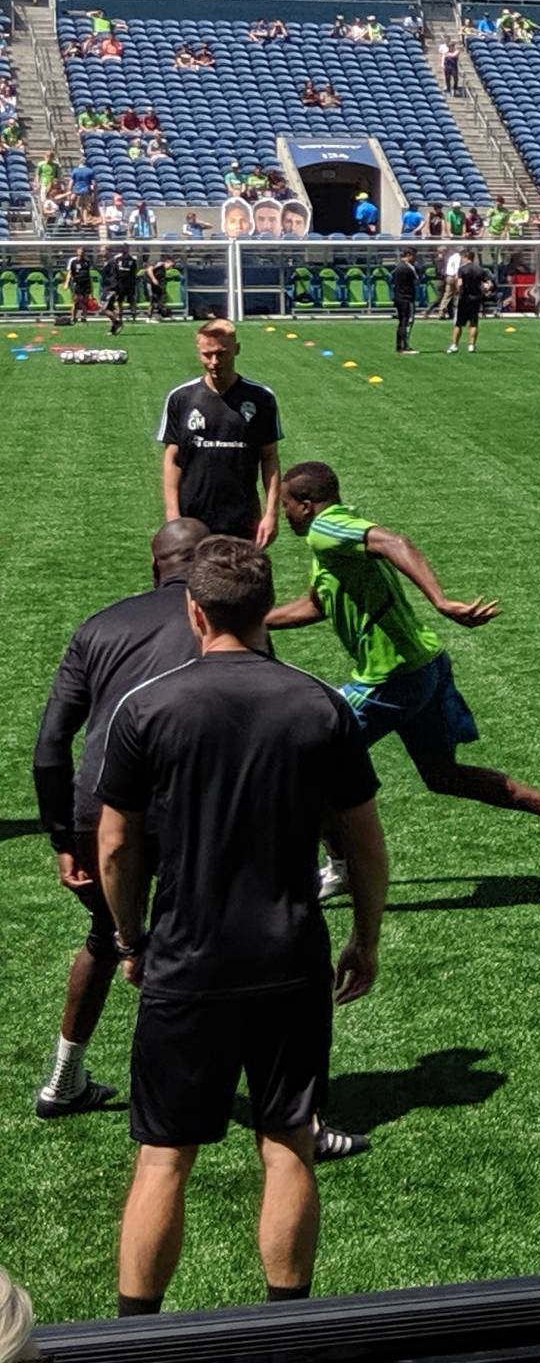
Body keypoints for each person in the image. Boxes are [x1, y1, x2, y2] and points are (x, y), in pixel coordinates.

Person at [96, 537, 391, 1315]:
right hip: (290, 958)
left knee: (164, 1157)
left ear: (195, 611)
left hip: (187, 962)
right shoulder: (319, 705)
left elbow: (117, 846)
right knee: (289, 1141)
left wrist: (131, 938)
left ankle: (134, 1336)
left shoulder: (148, 707)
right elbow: (364, 840)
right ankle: (285, 1327)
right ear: (268, 613)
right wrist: (367, 935)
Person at [268, 462, 540, 888]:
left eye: (286, 506)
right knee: (442, 776)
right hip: (427, 666)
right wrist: (249, 621)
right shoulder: (334, 543)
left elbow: (394, 541)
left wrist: (440, 600)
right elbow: (314, 605)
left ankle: (341, 868)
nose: (282, 514)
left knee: (306, 762)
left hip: (391, 679)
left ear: (307, 506)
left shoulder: (326, 529)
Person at [30, 519, 212, 1119]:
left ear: (153, 564)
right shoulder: (222, 620)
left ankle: (64, 1080)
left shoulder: (99, 626)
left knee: (106, 939)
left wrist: (62, 838)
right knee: (198, 938)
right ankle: (187, 1083)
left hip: (99, 808)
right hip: (189, 803)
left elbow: (51, 744)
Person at [158, 322, 283, 545]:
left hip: (243, 520)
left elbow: (269, 458)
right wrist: (172, 515)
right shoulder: (181, 398)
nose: (214, 363)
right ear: (198, 351)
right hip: (192, 521)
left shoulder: (261, 398)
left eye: (221, 354)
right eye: (207, 355)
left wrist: (271, 513)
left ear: (237, 349)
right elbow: (172, 459)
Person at [447, 252, 490, 354]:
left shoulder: (462, 269)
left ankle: (455, 345)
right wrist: (484, 290)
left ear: (466, 257)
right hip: (476, 298)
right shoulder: (480, 269)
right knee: (473, 323)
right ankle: (471, 345)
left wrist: (457, 291)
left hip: (464, 298)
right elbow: (488, 284)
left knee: (458, 324)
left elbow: (460, 284)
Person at [388, 249, 420, 355]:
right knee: (406, 322)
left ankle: (400, 346)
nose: (415, 258)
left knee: (402, 322)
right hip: (406, 298)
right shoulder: (406, 268)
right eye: (414, 256)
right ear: (409, 255)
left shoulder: (398, 267)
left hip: (399, 297)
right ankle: (404, 346)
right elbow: (416, 281)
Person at [106, 246, 140, 337]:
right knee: (117, 303)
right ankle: (118, 321)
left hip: (125, 285)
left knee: (130, 301)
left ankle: (130, 318)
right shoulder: (115, 260)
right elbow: (111, 273)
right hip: (116, 286)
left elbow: (133, 273)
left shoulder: (132, 260)